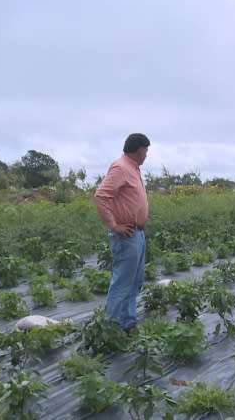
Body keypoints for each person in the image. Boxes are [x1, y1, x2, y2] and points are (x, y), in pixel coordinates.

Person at [93, 133, 150, 333]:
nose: (147, 154)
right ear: (138, 149)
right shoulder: (121, 167)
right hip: (126, 235)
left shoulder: (133, 169)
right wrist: (114, 225)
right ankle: (110, 329)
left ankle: (128, 323)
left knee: (135, 281)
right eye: (146, 150)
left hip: (137, 233)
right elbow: (101, 196)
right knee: (122, 283)